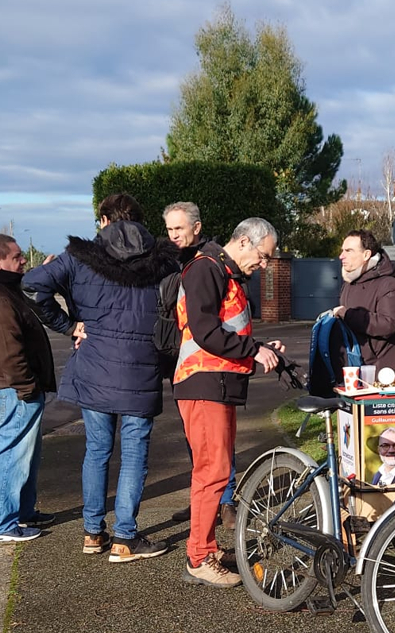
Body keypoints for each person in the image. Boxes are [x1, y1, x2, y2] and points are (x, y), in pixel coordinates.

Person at [23, 193, 179, 561]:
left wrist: (68, 325)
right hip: (142, 367)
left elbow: (31, 285)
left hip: (94, 367)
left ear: (105, 221)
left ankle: (93, 532)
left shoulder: (80, 258)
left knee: (96, 451)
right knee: (134, 453)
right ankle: (126, 537)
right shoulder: (163, 260)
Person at [173, 217, 285, 588]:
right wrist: (254, 350)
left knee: (214, 470)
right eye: (263, 256)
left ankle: (204, 547)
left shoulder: (222, 270)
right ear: (243, 242)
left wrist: (262, 349)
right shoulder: (207, 269)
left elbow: (226, 331)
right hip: (203, 384)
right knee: (213, 472)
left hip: (215, 384)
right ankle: (199, 558)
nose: (264, 265)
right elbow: (205, 332)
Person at [0, 234, 57, 543]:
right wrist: (28, 387)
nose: (23, 261)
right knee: (10, 456)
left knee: (24, 455)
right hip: (13, 390)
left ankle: (21, 512)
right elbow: (9, 352)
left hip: (12, 389)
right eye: (17, 257)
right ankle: (0, 524)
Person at [162, 201, 237, 530]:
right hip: (181, 358)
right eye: (169, 229)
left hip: (209, 366)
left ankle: (225, 501)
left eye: (180, 228)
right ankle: (204, 503)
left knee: (218, 446)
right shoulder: (169, 261)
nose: (174, 234)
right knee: (199, 444)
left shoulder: (208, 260)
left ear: (196, 227)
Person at [334, 229, 395, 373]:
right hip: (352, 369)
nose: (341, 256)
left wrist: (348, 315)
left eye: (349, 251)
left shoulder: (389, 284)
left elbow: (388, 324)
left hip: (379, 374)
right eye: (342, 251)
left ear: (366, 254)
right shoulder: (348, 284)